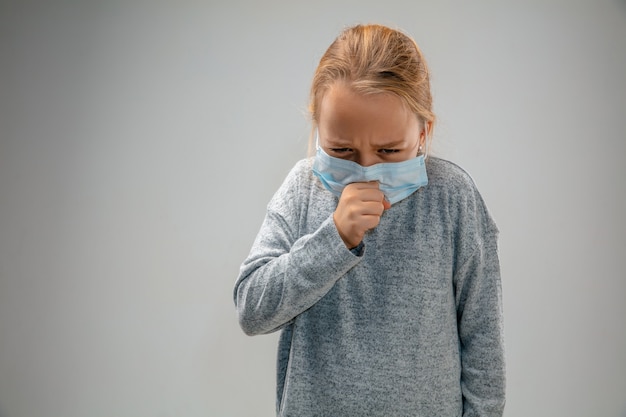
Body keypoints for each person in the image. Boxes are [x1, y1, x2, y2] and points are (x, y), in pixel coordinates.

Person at [234, 24, 505, 416]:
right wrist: (334, 240)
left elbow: (484, 343)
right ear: (318, 130)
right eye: (342, 150)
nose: (366, 170)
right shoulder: (302, 189)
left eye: (389, 150)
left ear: (423, 133)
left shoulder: (453, 198)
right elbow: (251, 310)